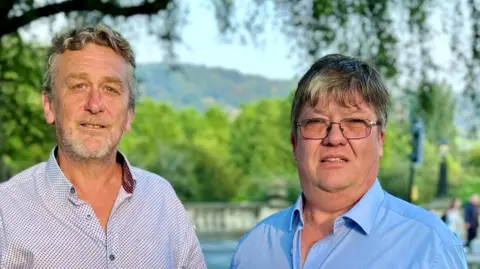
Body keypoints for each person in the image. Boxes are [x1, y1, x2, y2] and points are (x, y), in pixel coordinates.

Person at [230, 54, 467, 268]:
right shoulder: (254, 248)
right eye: (316, 122)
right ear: (294, 144)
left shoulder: (430, 248)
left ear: (380, 140)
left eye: (355, 123)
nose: (334, 138)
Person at [0, 25, 206, 268]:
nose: (95, 105)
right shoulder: (6, 211)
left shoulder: (162, 200)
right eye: (79, 86)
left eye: (110, 88)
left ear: (129, 114)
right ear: (49, 106)